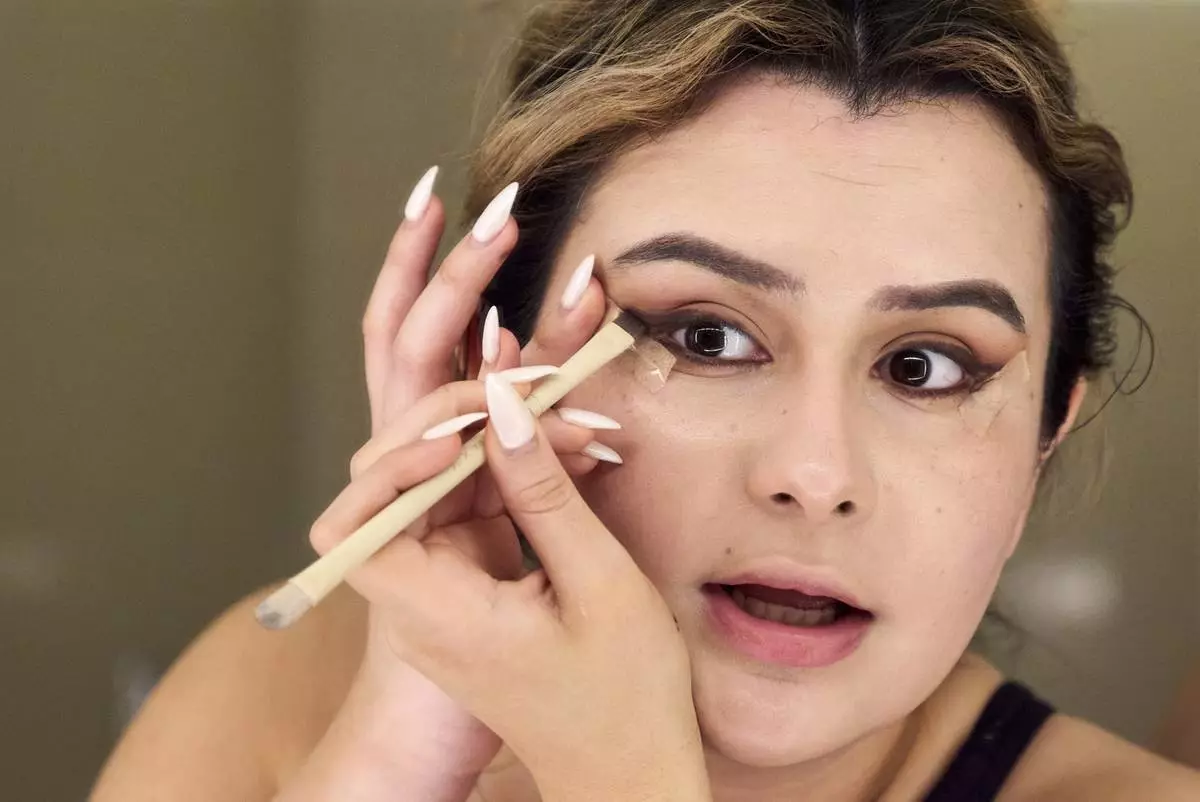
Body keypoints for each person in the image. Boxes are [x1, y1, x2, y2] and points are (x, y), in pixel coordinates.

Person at [90, 1, 1200, 800]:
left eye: (926, 368)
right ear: (504, 362)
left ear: (1048, 435)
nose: (814, 475)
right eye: (707, 337)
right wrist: (397, 752)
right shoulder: (273, 684)